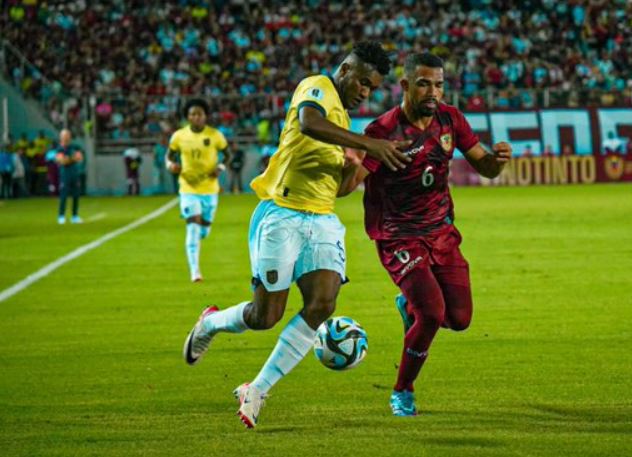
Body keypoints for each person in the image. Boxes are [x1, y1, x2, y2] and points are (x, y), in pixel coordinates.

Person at [181, 41, 410, 429]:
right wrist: (366, 142)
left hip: (321, 220)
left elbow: (339, 189)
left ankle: (257, 388)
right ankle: (211, 323)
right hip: (281, 214)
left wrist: (369, 163)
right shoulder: (317, 87)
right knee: (264, 315)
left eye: (372, 89)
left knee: (323, 303)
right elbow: (309, 123)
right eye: (364, 83)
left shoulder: (345, 128)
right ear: (345, 69)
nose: (365, 93)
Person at [337, 52, 512, 416]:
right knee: (432, 313)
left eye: (439, 84)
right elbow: (348, 186)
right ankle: (402, 391)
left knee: (460, 320)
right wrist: (351, 162)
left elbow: (485, 166)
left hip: (441, 233)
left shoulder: (451, 119)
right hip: (399, 236)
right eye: (424, 84)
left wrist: (497, 159)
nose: (434, 92)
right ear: (405, 85)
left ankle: (409, 308)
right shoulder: (382, 132)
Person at [165, 98, 231, 282]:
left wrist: (221, 168)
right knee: (193, 228)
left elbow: (228, 155)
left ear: (205, 116)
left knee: (204, 230)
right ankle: (195, 271)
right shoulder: (178, 136)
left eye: (199, 114)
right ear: (187, 116)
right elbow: (169, 156)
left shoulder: (215, 135)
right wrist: (170, 165)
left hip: (210, 190)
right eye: (192, 114)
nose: (196, 117)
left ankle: (204, 228)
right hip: (188, 188)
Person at [55, 129, 84, 224]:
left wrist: (68, 159)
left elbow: (80, 158)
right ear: (61, 137)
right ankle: (61, 216)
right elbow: (62, 161)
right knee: (63, 195)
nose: (66, 137)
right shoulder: (59, 149)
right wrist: (72, 159)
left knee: (76, 195)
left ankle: (75, 216)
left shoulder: (75, 147)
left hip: (74, 173)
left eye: (68, 135)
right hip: (65, 174)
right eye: (64, 136)